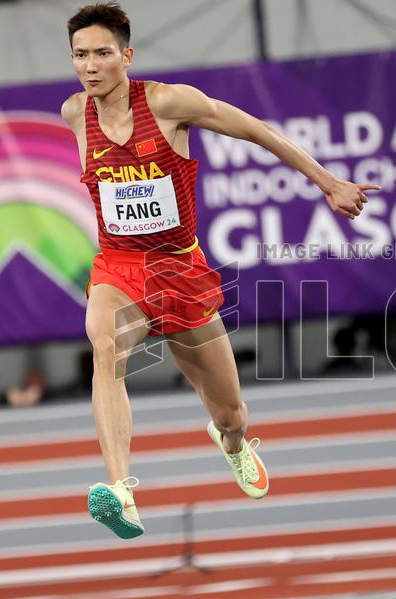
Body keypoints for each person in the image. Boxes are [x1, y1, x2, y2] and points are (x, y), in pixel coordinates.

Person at [61, 3, 378, 540]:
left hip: (181, 272)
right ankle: (120, 490)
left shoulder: (168, 103)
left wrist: (326, 182)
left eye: (102, 54)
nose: (90, 66)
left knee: (230, 410)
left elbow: (255, 130)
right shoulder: (75, 114)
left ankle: (231, 442)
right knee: (107, 349)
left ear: (126, 56)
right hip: (119, 268)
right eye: (79, 55)